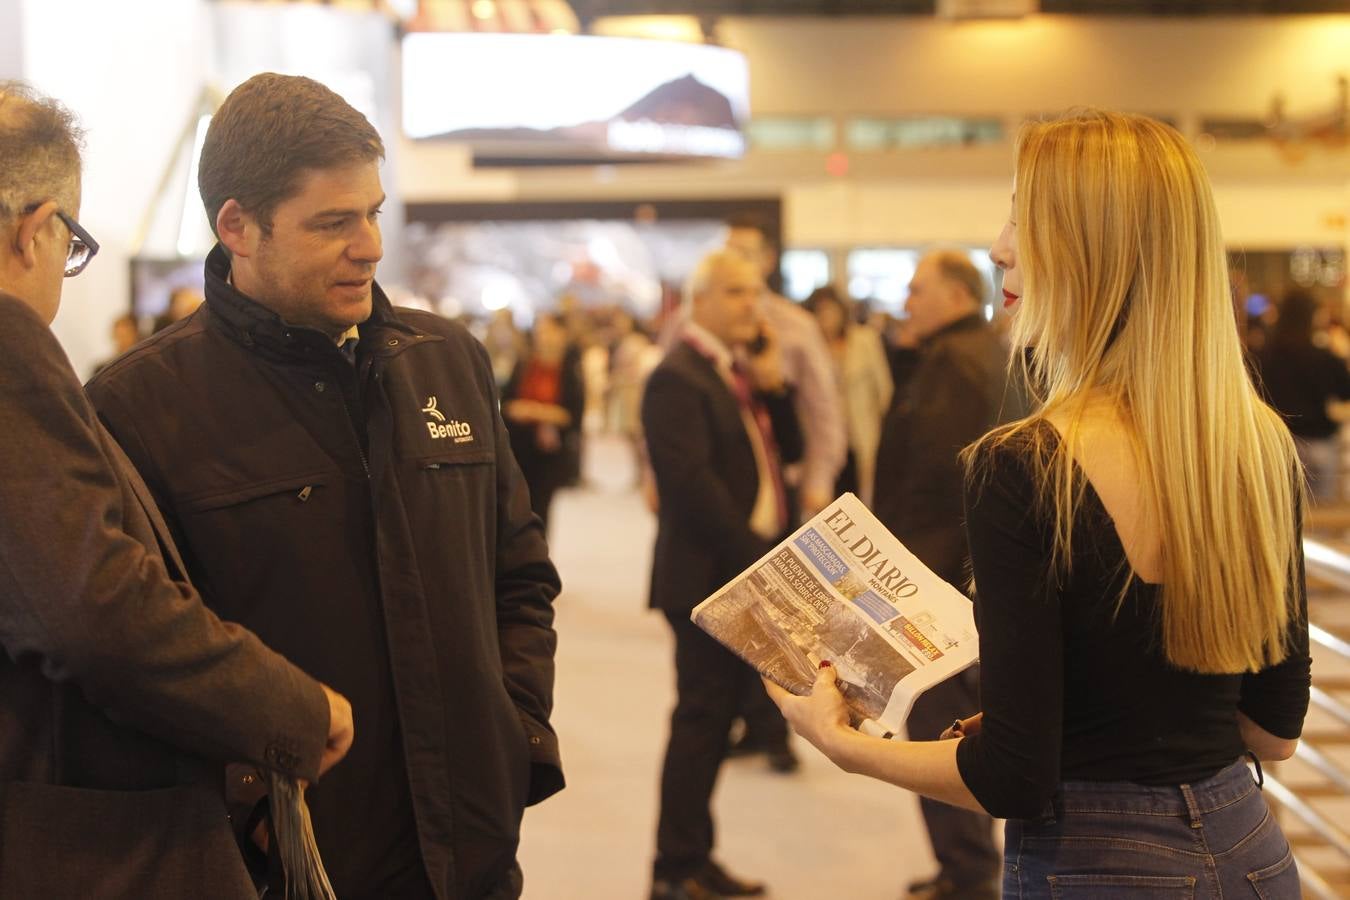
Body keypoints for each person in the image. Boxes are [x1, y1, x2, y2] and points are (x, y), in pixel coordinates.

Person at [767, 110, 1311, 900]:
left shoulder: (1023, 464)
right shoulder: (1256, 446)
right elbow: (1274, 729)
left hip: (1100, 863)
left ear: (1095, 248)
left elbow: (1015, 778)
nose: (998, 247)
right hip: (1250, 848)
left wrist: (845, 745)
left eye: (1023, 218)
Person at [87, 73, 563, 900]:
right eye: (333, 223)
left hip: (471, 845)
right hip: (292, 861)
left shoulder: (445, 360)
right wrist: (239, 807)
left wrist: (512, 737)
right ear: (238, 225)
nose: (370, 246)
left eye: (374, 213)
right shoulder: (138, 407)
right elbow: (134, 658)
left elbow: (518, 579)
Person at [0, 80, 352, 898]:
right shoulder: (10, 346)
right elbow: (93, 609)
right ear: (35, 229)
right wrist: (293, 713)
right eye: (69, 241)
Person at [643, 250, 803, 900]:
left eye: (757, 293)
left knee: (714, 726)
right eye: (737, 293)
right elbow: (690, 487)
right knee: (700, 722)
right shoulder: (676, 375)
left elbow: (789, 453)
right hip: (708, 578)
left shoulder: (738, 373)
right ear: (699, 300)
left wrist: (773, 386)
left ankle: (693, 858)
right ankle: (674, 869)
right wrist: (760, 566)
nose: (752, 305)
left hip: (738, 574)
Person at [870, 249, 1015, 900]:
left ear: (957, 296)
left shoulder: (959, 362)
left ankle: (968, 872)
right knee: (944, 718)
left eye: (918, 288)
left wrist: (902, 582)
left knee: (940, 723)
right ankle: (964, 865)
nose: (907, 300)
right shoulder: (966, 353)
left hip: (935, 579)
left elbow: (938, 486)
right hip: (950, 571)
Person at [724, 214, 846, 770]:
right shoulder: (698, 322)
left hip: (784, 487)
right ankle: (748, 721)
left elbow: (823, 410)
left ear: (769, 261)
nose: (739, 262)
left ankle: (776, 732)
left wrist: (820, 479)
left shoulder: (794, 326)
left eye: (748, 252)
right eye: (730, 252)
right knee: (731, 612)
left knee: (779, 619)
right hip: (724, 490)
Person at [1254, 289, 1350, 501]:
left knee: (1282, 511)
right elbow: (1345, 391)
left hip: (1277, 443)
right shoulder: (1324, 357)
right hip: (1319, 442)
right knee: (1321, 518)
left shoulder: (1263, 356)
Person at [804, 285, 893, 504]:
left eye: (830, 310)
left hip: (861, 433)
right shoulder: (809, 347)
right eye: (820, 311)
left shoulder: (864, 339)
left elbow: (883, 389)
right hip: (824, 436)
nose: (826, 317)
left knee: (861, 497)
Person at [502, 312, 585, 532]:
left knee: (540, 508)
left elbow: (574, 414)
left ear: (562, 334)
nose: (543, 336)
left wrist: (537, 412)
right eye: (540, 330)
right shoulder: (525, 363)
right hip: (519, 445)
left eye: (548, 330)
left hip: (550, 452)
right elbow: (507, 402)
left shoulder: (569, 367)